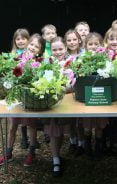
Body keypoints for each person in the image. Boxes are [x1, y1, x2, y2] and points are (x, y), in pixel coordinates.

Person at [0, 33, 45, 167]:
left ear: (41, 50)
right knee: (13, 126)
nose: (33, 47)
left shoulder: (40, 63)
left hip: (30, 99)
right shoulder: (18, 58)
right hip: (17, 98)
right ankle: (8, 152)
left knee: (31, 125)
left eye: (37, 46)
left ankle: (31, 152)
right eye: (31, 44)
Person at [44, 36, 72, 176]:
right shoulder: (47, 62)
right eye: (55, 49)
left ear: (65, 48)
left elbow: (72, 84)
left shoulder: (71, 62)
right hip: (52, 102)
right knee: (54, 129)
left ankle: (62, 154)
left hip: (68, 103)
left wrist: (64, 87)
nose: (58, 52)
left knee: (62, 129)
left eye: (60, 49)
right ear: (51, 50)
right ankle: (55, 160)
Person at [80, 32, 108, 159]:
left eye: (96, 44)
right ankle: (87, 145)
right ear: (85, 46)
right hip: (87, 97)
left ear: (101, 45)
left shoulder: (105, 58)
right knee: (87, 125)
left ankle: (98, 146)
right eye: (90, 44)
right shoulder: (82, 58)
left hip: (101, 97)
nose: (93, 46)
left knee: (99, 124)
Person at [64, 29, 85, 156]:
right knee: (70, 119)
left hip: (80, 91)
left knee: (80, 120)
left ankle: (82, 144)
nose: (72, 42)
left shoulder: (84, 55)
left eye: (74, 39)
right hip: (67, 92)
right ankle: (73, 141)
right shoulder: (63, 55)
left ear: (79, 40)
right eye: (69, 40)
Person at [11, 28, 30, 149]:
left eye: (23, 38)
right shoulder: (13, 54)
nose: (21, 41)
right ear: (15, 41)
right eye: (18, 39)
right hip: (17, 86)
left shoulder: (31, 53)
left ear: (28, 40)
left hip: (27, 85)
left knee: (27, 113)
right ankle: (23, 137)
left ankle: (29, 138)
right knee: (17, 113)